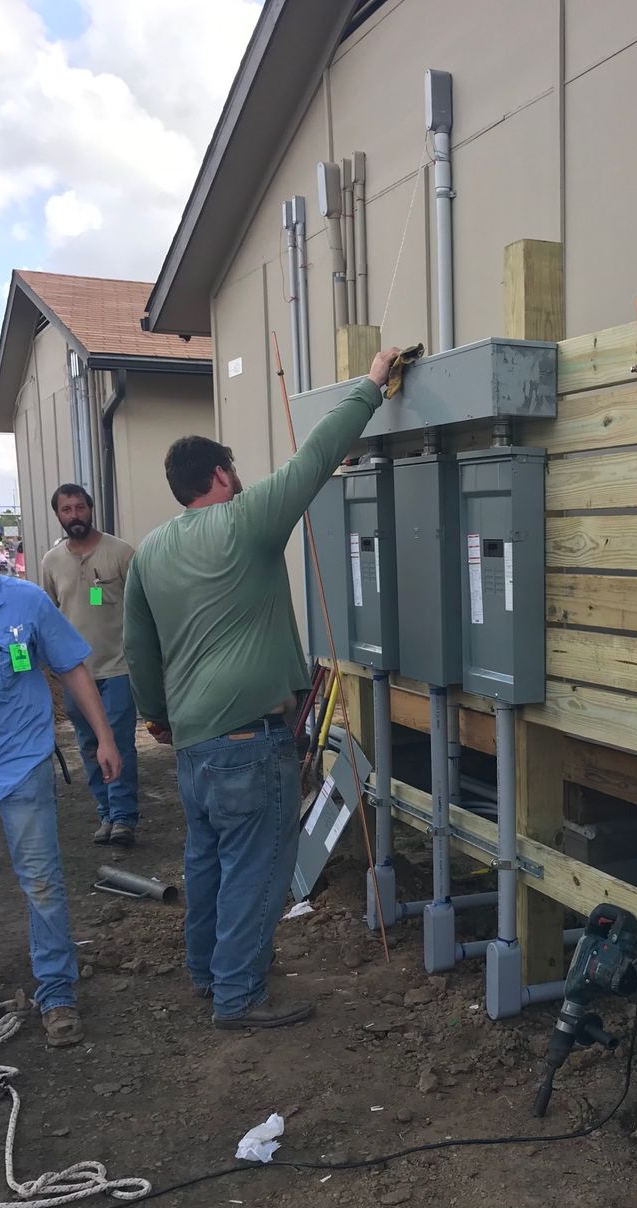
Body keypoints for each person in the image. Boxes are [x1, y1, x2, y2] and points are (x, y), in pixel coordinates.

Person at [124, 344, 399, 1032]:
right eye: (235, 471)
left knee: (211, 861)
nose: (242, 479)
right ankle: (239, 996)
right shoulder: (245, 522)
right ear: (220, 475)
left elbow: (139, 647)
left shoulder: (148, 552)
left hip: (193, 749)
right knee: (254, 869)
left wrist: (158, 717)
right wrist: (372, 382)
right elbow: (315, 460)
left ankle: (207, 974)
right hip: (250, 741)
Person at [0, 513, 121, 1046]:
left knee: (40, 882)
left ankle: (57, 993)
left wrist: (104, 738)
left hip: (21, 760)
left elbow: (72, 668)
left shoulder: (24, 603)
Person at [41, 485, 139, 847]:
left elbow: (142, 605)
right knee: (87, 744)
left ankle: (124, 817)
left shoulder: (121, 553)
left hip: (116, 668)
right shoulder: (51, 561)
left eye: (79, 507)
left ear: (91, 508)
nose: (74, 515)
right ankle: (105, 814)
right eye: (66, 510)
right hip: (73, 673)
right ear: (58, 515)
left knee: (118, 743)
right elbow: (49, 614)